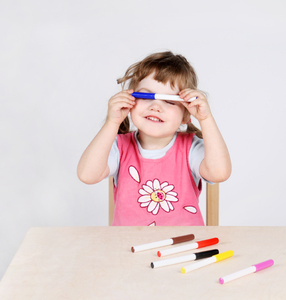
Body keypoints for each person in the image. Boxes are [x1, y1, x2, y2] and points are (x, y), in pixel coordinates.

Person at [77, 51, 231, 226]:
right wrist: (112, 122)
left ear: (185, 116)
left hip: (183, 247)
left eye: (170, 101)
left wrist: (206, 119)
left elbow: (220, 173)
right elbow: (87, 175)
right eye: (146, 96)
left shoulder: (191, 148)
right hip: (129, 248)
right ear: (130, 100)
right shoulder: (119, 146)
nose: (156, 106)